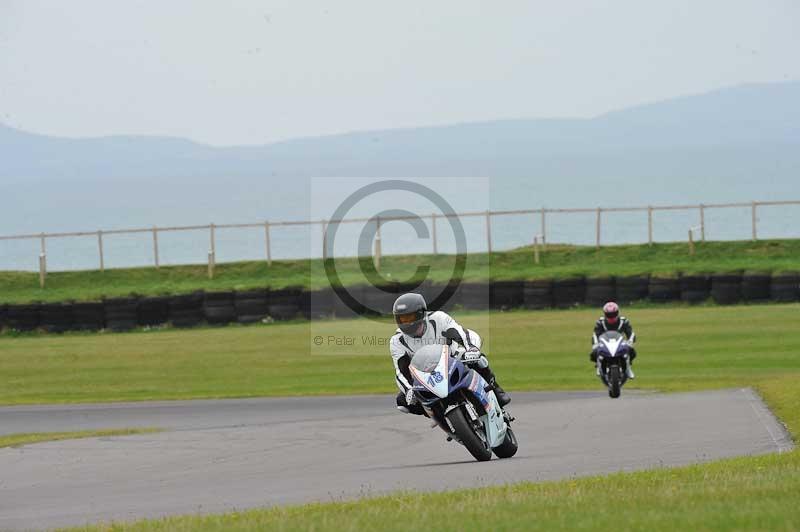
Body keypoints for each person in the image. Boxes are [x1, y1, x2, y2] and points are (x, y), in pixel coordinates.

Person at [390, 292, 511, 415]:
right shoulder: (397, 340)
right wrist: (409, 389)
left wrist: (472, 349)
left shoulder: (438, 318)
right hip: (426, 375)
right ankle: (445, 421)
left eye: (409, 317)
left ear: (421, 313)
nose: (406, 322)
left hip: (452, 359)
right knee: (402, 402)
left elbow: (462, 333)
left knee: (479, 360)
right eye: (402, 319)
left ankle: (495, 390)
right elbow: (400, 371)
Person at [590, 301, 637, 379]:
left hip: (620, 343)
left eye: (613, 314)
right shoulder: (600, 322)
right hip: (605, 343)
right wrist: (595, 344)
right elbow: (595, 334)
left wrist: (630, 341)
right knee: (594, 353)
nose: (611, 317)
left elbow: (631, 333)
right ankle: (599, 366)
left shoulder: (624, 321)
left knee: (632, 351)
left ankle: (628, 367)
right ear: (605, 314)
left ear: (617, 313)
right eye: (609, 315)